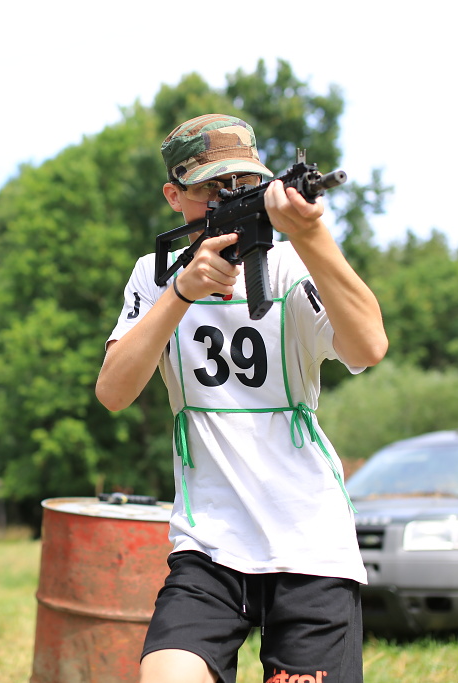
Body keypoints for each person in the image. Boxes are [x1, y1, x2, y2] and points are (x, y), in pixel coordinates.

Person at [96, 114, 389, 683]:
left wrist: (310, 233)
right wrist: (181, 290)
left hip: (308, 543)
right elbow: (113, 391)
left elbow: (370, 345)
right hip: (208, 545)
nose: (228, 197)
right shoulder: (153, 277)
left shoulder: (290, 265)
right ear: (173, 196)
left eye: (240, 183)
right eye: (210, 187)